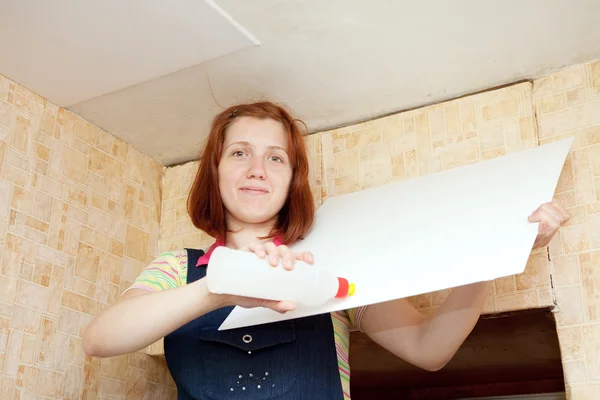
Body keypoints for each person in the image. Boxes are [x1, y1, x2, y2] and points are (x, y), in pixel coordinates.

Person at [82, 101, 570, 399]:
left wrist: (496, 252)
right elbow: (100, 339)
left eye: (276, 158)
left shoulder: (334, 261)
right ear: (214, 172)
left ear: (293, 181)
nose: (257, 168)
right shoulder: (177, 268)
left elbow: (429, 350)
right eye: (239, 153)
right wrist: (217, 288)